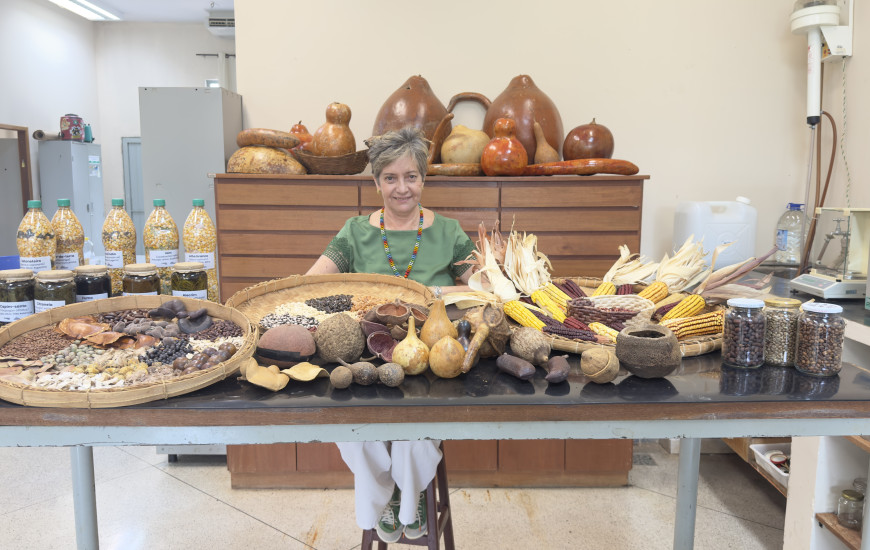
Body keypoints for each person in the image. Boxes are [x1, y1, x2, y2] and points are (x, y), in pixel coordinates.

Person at [306, 127, 476, 541]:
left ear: (423, 178)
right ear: (376, 181)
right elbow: (313, 285)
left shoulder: (450, 232)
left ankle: (410, 491)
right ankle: (392, 497)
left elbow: (482, 291)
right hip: (367, 359)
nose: (403, 189)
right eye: (391, 178)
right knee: (357, 435)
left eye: (412, 176)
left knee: (414, 434)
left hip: (433, 362)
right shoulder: (353, 232)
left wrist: (437, 293)